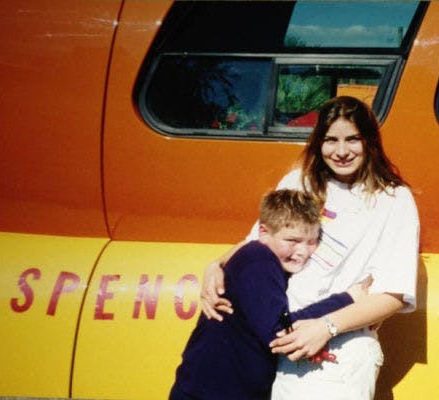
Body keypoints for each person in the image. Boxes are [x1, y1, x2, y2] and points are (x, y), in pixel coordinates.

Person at [201, 96, 420, 399]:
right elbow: (260, 243)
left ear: (369, 141)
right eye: (331, 140)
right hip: (282, 346)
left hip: (340, 352)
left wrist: (326, 327)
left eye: (352, 139)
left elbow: (393, 295)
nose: (341, 151)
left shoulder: (394, 199)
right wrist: (216, 265)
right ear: (318, 142)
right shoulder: (298, 182)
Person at [170, 189, 369, 400]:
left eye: (312, 242)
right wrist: (348, 299)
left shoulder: (272, 265)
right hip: (207, 392)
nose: (303, 251)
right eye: (292, 240)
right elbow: (279, 334)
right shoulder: (258, 259)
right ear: (264, 233)